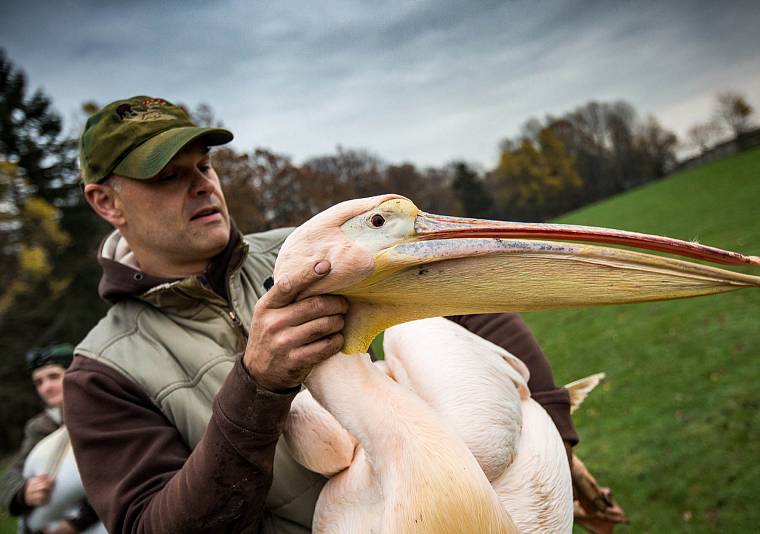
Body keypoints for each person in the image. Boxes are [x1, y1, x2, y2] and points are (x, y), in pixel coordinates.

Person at [64, 95, 595, 533]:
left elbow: (474, 304)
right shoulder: (103, 373)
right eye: (167, 177)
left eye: (204, 165)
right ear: (106, 203)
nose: (202, 184)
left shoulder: (301, 254)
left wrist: (555, 449)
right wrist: (257, 387)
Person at [0, 344, 99, 534]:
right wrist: (23, 493)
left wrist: (76, 523)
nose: (46, 387)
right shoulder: (39, 427)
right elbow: (12, 474)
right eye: (39, 382)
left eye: (53, 376)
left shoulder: (101, 414)